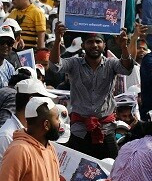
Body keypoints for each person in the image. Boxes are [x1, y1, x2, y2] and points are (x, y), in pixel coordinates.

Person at [49, 23, 134, 159]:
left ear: (104, 45)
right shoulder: (74, 63)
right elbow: (55, 66)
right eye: (90, 42)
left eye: (98, 41)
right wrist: (58, 39)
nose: (94, 45)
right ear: (83, 46)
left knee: (111, 170)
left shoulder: (111, 64)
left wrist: (123, 46)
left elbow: (127, 69)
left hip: (105, 130)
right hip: (80, 131)